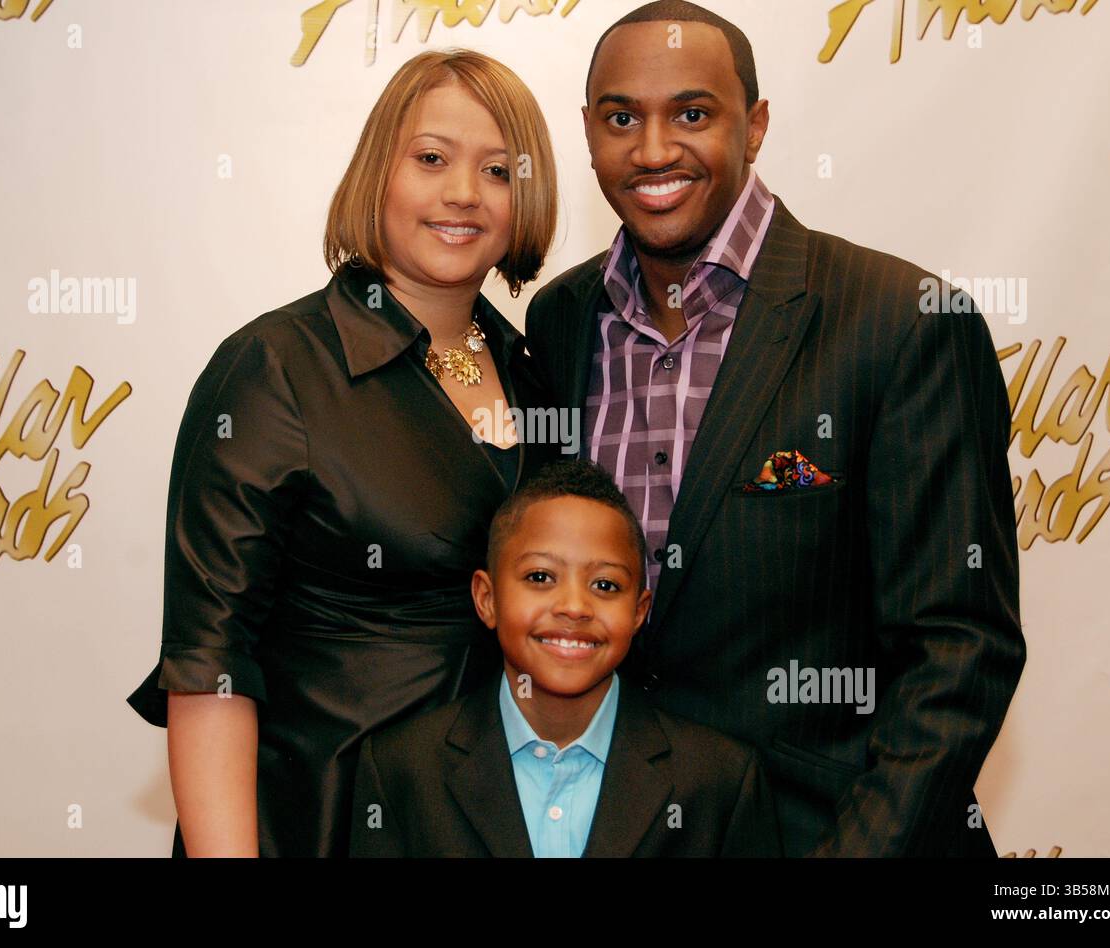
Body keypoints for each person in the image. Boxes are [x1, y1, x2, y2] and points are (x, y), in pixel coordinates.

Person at [524, 1, 1025, 856]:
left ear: (754, 126)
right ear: (587, 132)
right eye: (620, 119)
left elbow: (958, 651)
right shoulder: (563, 321)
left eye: (692, 113)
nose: (652, 150)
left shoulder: (902, 323)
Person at [125, 49, 560, 857]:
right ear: (377, 174)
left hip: (493, 826)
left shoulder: (537, 374)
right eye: (431, 159)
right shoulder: (274, 370)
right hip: (315, 821)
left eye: (499, 170)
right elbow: (210, 665)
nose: (464, 193)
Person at [349, 460, 782, 857]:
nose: (574, 606)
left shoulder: (719, 782)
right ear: (487, 598)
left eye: (606, 585)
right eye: (540, 577)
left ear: (638, 612)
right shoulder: (400, 770)